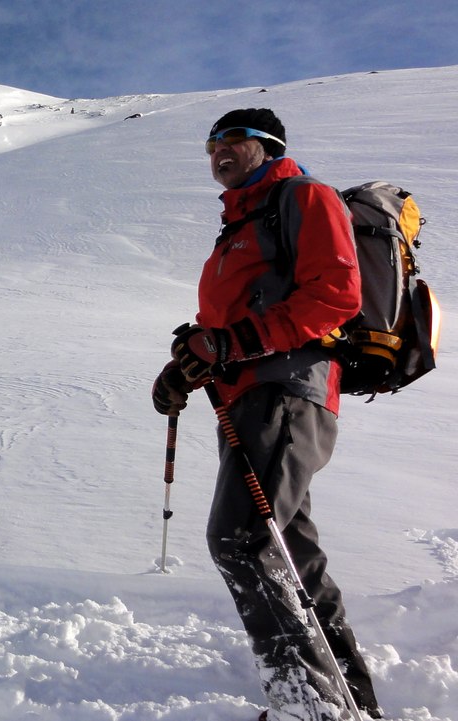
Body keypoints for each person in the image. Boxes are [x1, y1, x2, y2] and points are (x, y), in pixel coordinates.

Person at [151, 108, 384, 721]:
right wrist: (189, 364)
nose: (217, 152)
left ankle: (309, 707)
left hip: (287, 391)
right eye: (210, 144)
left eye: (231, 140)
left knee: (242, 539)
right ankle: (351, 702)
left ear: (266, 146)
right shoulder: (239, 226)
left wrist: (230, 344)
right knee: (290, 556)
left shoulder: (302, 197)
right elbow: (226, 328)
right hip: (250, 400)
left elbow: (336, 294)